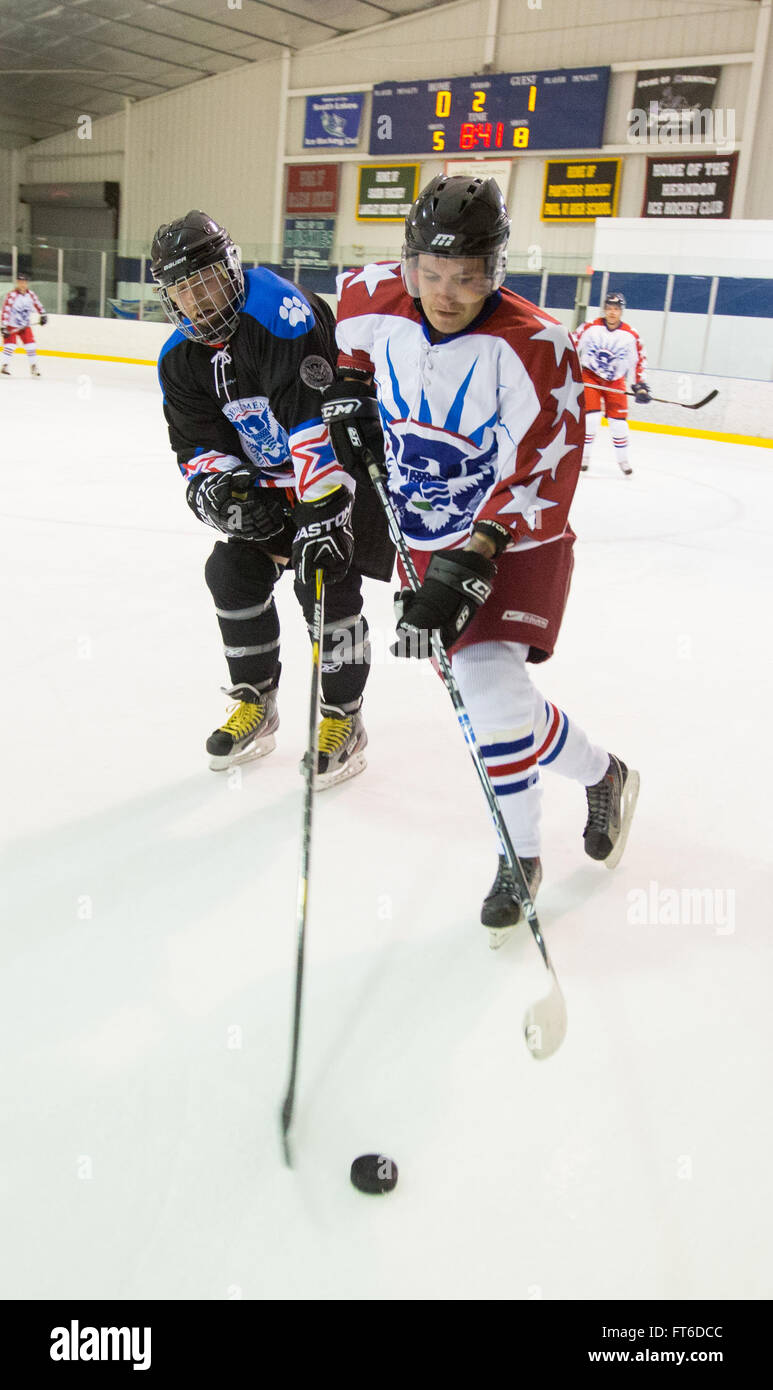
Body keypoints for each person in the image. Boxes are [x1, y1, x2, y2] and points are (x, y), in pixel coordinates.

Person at [326, 175, 639, 943]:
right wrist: (350, 392)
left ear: (494, 270)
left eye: (466, 278)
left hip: (516, 539)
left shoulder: (535, 345)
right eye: (430, 275)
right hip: (422, 529)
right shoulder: (369, 294)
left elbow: (544, 470)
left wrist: (474, 557)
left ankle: (520, 856)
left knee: (490, 689)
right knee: (491, 696)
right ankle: (603, 775)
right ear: (407, 263)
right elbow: (348, 350)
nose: (445, 293)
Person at [151, 210, 393, 785]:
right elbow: (196, 446)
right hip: (273, 486)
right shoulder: (177, 359)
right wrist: (223, 489)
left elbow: (315, 424)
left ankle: (344, 717)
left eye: (205, 280)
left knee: (326, 584)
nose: (198, 299)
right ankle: (256, 703)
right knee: (231, 570)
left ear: (231, 269)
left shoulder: (282, 314)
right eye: (183, 289)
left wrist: (322, 517)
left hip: (337, 476)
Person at [572, 290, 650, 475]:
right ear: (604, 310)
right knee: (590, 419)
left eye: (616, 308)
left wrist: (640, 386)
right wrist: (566, 370)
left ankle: (623, 460)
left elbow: (638, 360)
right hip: (590, 377)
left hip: (615, 381)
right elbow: (572, 344)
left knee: (619, 424)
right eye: (609, 308)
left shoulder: (630, 335)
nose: (612, 312)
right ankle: (584, 457)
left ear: (621, 311)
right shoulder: (590, 327)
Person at [1, 274, 47, 377]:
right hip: (11, 325)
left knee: (31, 346)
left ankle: (33, 366)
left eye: (24, 282)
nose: (22, 284)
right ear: (17, 283)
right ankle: (4, 365)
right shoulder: (12, 295)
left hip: (25, 326)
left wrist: (43, 314)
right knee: (10, 346)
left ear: (27, 283)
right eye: (20, 282)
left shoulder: (31, 294)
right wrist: (4, 326)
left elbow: (38, 304)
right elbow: (6, 310)